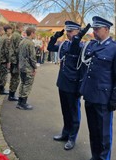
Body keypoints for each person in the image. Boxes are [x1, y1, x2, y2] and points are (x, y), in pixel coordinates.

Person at [79, 16, 116, 160]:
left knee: (104, 134)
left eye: (97, 29)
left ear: (106, 29)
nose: (94, 32)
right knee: (93, 131)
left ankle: (103, 158)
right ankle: (95, 156)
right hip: (90, 95)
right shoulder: (93, 45)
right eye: (93, 29)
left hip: (104, 98)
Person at [47, 21, 90, 151]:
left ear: (78, 31)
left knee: (73, 113)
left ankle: (72, 137)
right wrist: (55, 36)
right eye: (67, 31)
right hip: (63, 83)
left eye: (71, 31)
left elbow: (75, 48)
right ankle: (65, 133)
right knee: (65, 111)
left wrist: (78, 37)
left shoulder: (81, 46)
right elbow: (50, 48)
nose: (68, 34)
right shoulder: (65, 44)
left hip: (73, 85)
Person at [17, 27, 37, 110]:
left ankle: (20, 102)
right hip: (28, 68)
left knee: (22, 83)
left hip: (22, 67)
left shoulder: (22, 41)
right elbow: (32, 57)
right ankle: (23, 103)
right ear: (32, 33)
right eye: (34, 33)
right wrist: (34, 67)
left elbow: (19, 54)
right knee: (27, 85)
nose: (35, 34)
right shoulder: (30, 43)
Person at [8, 22, 24, 101]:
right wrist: (19, 61)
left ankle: (11, 94)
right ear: (19, 27)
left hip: (13, 59)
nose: (23, 29)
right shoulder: (17, 36)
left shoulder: (14, 35)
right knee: (16, 78)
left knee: (13, 77)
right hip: (15, 60)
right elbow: (18, 50)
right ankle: (12, 95)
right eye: (22, 27)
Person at [0, 24, 12, 95]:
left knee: (1, 74)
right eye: (10, 29)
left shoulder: (2, 37)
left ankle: (1, 88)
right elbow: (7, 51)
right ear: (7, 30)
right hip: (4, 60)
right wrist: (8, 61)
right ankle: (2, 90)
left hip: (0, 59)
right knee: (4, 75)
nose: (11, 31)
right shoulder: (6, 38)